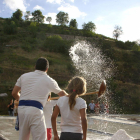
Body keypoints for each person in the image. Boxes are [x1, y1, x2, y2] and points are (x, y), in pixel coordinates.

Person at [12, 57, 67, 140]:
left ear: (35, 66)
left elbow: (14, 93)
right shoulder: (49, 80)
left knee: (23, 137)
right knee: (40, 138)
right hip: (35, 110)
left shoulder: (24, 76)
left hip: (21, 109)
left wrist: (22, 100)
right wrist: (72, 96)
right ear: (47, 69)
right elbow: (62, 94)